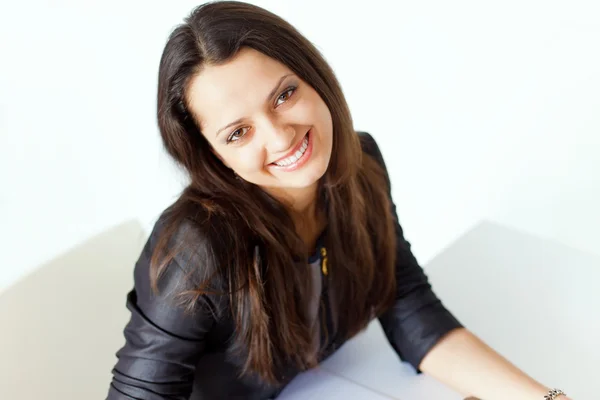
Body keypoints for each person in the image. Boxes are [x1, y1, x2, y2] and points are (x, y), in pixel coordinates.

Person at [107, 2, 570, 399]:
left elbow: (408, 304)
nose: (280, 136)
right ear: (213, 155)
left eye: (284, 95)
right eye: (239, 132)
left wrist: (545, 396)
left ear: (314, 78)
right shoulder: (194, 246)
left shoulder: (362, 165)